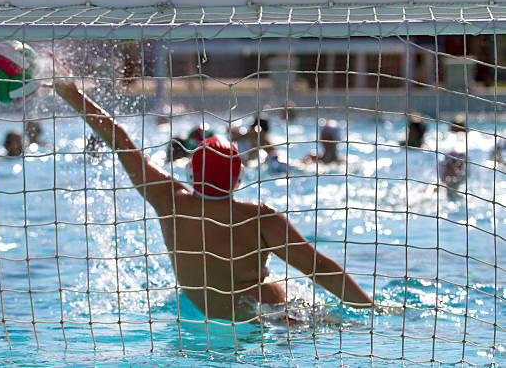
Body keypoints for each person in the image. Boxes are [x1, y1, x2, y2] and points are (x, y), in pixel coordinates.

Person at [50, 54, 373, 321]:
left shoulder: (169, 201)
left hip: (209, 316)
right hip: (271, 315)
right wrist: (369, 309)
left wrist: (72, 93)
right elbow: (318, 266)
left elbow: (120, 138)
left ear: (191, 172)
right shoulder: (260, 217)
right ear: (238, 178)